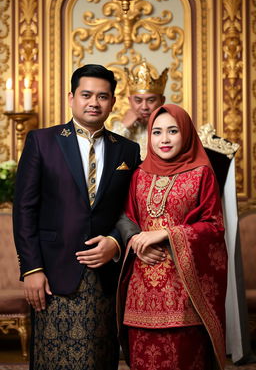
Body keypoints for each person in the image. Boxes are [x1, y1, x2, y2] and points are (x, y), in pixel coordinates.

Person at [12, 64, 141, 370]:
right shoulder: (42, 141)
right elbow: (24, 209)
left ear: (111, 102)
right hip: (53, 273)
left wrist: (116, 242)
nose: (93, 102)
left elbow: (133, 211)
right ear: (71, 98)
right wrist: (32, 269)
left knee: (99, 356)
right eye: (86, 94)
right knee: (52, 358)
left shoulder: (127, 150)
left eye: (102, 96)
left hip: (105, 275)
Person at [116, 104, 228, 370]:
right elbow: (127, 218)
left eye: (172, 131)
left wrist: (167, 233)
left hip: (185, 291)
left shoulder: (202, 174)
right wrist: (135, 242)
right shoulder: (138, 175)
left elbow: (213, 227)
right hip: (141, 290)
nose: (164, 139)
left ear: (186, 133)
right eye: (156, 132)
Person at [112, 59, 168, 159]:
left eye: (151, 100)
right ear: (130, 101)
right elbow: (107, 156)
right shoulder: (119, 129)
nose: (144, 107)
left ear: (162, 101)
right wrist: (124, 126)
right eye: (138, 100)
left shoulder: (172, 128)